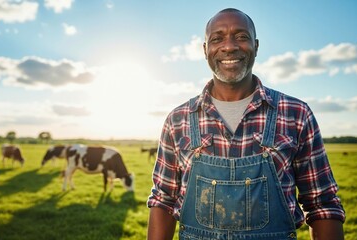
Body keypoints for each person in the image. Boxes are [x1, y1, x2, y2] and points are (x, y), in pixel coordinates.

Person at [147, 8, 345, 240]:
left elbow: (322, 204)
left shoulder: (296, 113)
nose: (229, 46)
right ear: (205, 50)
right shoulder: (178, 119)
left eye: (241, 37)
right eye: (217, 38)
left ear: (256, 46)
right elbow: (164, 201)